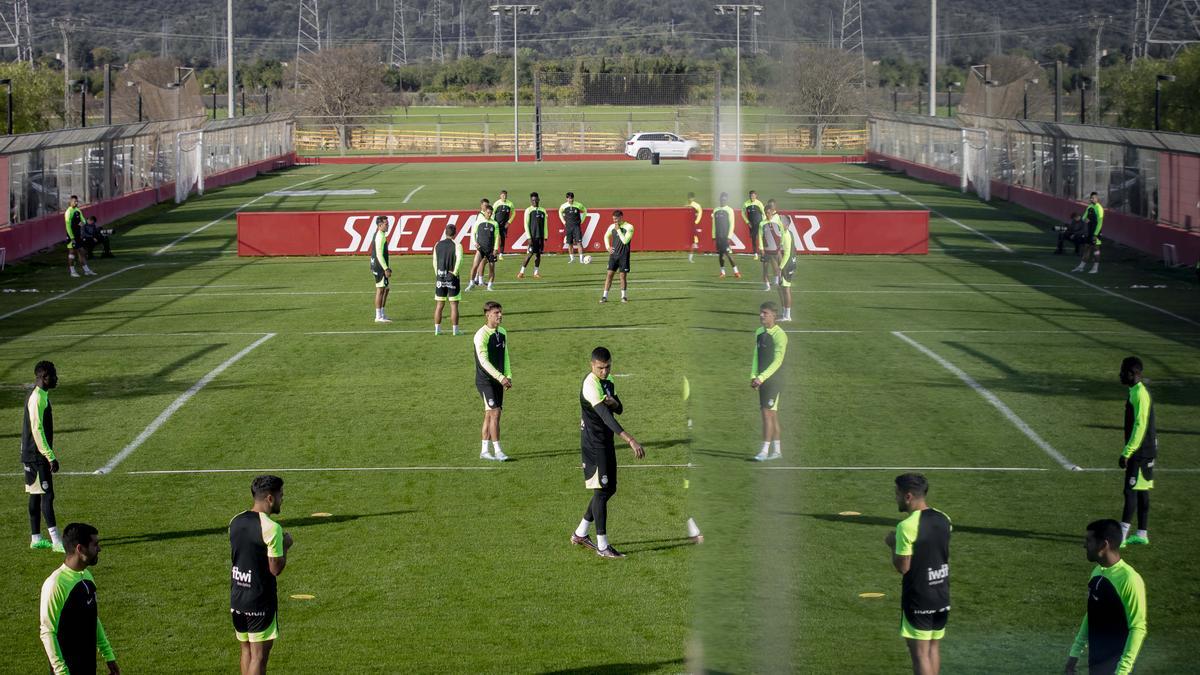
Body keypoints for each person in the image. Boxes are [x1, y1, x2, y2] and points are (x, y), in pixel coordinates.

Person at [570, 346, 645, 558]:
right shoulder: (590, 385)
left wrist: (614, 401)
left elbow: (618, 408)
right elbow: (606, 416)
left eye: (608, 367)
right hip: (594, 445)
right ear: (592, 365)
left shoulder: (608, 380)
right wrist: (630, 439)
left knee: (609, 488)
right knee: (602, 491)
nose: (604, 371)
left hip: (606, 441)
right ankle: (603, 546)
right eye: (601, 368)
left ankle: (580, 533)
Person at [883, 473, 952, 675]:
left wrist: (893, 544)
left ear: (908, 496)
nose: (895, 497)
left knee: (920, 655)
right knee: (933, 648)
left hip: (919, 598)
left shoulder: (905, 527)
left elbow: (903, 567)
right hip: (941, 593)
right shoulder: (944, 519)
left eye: (897, 493)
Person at [1064, 519, 1147, 675]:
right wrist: (1075, 653)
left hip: (1116, 668)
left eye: (1089, 541)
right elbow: (1092, 614)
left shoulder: (1129, 579)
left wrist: (1122, 671)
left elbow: (1137, 627)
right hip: (1096, 663)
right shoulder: (1097, 572)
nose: (1084, 545)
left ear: (1104, 545)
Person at [230, 475, 293, 675]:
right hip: (259, 599)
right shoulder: (272, 528)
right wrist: (285, 545)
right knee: (259, 657)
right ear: (269, 498)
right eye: (281, 495)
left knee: (246, 652)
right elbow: (275, 569)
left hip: (238, 596)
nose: (282, 499)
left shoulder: (235, 521)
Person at [39, 522, 119, 675]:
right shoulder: (56, 584)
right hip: (68, 670)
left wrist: (108, 655)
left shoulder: (86, 576)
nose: (99, 549)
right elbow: (47, 632)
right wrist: (62, 672)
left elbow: (92, 618)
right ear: (80, 549)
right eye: (95, 545)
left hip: (88, 665)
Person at [23, 360, 63, 552]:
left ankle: (36, 538)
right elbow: (37, 429)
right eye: (54, 375)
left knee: (35, 495)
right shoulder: (37, 398)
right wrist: (50, 456)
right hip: (37, 455)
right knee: (47, 495)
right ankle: (56, 542)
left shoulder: (39, 394)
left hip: (30, 453)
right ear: (44, 377)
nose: (56, 378)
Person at [1117, 356, 1156, 548]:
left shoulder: (1139, 394)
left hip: (1140, 451)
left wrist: (1127, 452)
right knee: (1141, 491)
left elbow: (1140, 425)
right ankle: (1142, 533)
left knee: (1130, 491)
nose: (1120, 375)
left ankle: (1122, 536)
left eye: (1123, 371)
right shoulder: (1136, 391)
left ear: (1133, 373)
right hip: (1146, 449)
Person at [473, 301, 512, 461]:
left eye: (500, 312)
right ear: (487, 315)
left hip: (498, 380)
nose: (500, 316)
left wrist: (508, 375)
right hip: (485, 381)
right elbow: (483, 361)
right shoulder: (481, 335)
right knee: (495, 413)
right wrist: (500, 377)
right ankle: (498, 451)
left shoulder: (502, 332)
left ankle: (484, 451)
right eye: (496, 313)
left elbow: (505, 355)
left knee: (490, 414)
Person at [751, 302, 788, 461]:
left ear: (774, 315)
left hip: (774, 380)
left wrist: (761, 377)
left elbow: (778, 361)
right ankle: (777, 452)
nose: (761, 316)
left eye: (765, 313)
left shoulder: (780, 335)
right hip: (762, 379)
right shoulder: (759, 332)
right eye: (761, 313)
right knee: (772, 415)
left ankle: (764, 451)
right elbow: (756, 355)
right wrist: (753, 375)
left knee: (766, 413)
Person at [433, 223, 464, 336]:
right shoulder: (457, 245)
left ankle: (437, 330)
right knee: (454, 305)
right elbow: (459, 259)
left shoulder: (437, 244)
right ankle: (455, 331)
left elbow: (434, 261)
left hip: (440, 277)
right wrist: (454, 272)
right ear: (455, 233)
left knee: (439, 305)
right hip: (452, 278)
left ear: (445, 232)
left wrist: (438, 274)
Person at [600, 210, 635, 304]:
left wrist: (618, 230)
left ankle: (624, 297)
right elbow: (606, 236)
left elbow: (625, 241)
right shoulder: (612, 226)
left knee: (622, 276)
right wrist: (608, 247)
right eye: (613, 219)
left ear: (621, 217)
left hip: (624, 255)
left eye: (616, 219)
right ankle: (604, 296)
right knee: (609, 275)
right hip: (613, 256)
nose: (614, 221)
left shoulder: (629, 227)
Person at [768, 201, 795, 322]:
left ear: (787, 225)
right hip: (788, 263)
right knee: (782, 287)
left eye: (783, 222)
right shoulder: (786, 233)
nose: (781, 223)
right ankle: (785, 313)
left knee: (786, 288)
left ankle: (787, 315)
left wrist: (780, 267)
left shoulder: (787, 235)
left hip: (787, 264)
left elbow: (788, 253)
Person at [466, 204, 498, 292]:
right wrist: (474, 243)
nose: (489, 215)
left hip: (491, 250)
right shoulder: (478, 222)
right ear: (485, 213)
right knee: (475, 266)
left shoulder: (495, 224)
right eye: (488, 213)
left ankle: (490, 286)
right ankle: (471, 284)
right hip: (480, 249)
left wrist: (495, 249)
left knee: (492, 268)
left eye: (491, 213)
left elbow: (497, 237)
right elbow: (473, 233)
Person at [518, 192, 548, 280]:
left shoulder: (543, 210)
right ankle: (521, 272)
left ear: (538, 199)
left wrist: (545, 236)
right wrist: (529, 237)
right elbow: (526, 225)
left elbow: (545, 224)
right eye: (532, 200)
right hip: (532, 237)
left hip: (540, 237)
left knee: (538, 255)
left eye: (535, 200)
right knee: (530, 254)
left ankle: (536, 273)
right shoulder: (528, 210)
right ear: (531, 201)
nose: (534, 202)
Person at [1072, 192, 1104, 274]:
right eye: (1090, 198)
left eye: (1093, 198)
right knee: (1086, 248)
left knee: (1096, 250)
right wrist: (1086, 220)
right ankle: (1081, 267)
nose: (1091, 199)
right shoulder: (1089, 207)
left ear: (1097, 198)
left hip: (1096, 233)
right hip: (1089, 232)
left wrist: (1096, 234)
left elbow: (1100, 222)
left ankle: (1095, 268)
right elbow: (1083, 218)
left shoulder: (1099, 208)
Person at [369, 215, 392, 323]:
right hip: (379, 266)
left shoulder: (380, 234)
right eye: (386, 224)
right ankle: (378, 316)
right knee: (380, 289)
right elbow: (379, 254)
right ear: (380, 225)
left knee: (386, 289)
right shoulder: (380, 236)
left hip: (378, 265)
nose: (388, 226)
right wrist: (386, 268)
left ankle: (382, 313)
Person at [64, 195, 95, 278]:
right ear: (70, 202)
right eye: (74, 201)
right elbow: (67, 226)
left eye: (77, 201)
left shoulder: (78, 210)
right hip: (71, 236)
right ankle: (72, 271)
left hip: (78, 235)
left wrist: (83, 223)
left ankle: (86, 270)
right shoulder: (68, 212)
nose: (76, 203)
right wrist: (72, 237)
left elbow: (84, 220)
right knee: (72, 253)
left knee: (81, 252)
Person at [712, 192, 739, 278]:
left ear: (726, 200)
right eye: (722, 199)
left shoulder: (729, 210)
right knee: (720, 254)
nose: (723, 201)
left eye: (724, 199)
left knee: (728, 254)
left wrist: (729, 236)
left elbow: (732, 224)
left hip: (725, 237)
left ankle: (736, 271)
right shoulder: (715, 210)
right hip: (718, 236)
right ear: (720, 199)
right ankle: (722, 272)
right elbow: (713, 224)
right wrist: (713, 236)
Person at [759, 209, 783, 291]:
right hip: (765, 250)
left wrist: (781, 244)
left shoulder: (777, 223)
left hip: (774, 249)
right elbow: (760, 236)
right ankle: (767, 286)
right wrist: (761, 248)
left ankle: (776, 281)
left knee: (776, 266)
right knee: (765, 268)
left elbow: (781, 234)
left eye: (768, 213)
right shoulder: (762, 223)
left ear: (772, 213)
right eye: (766, 213)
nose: (767, 214)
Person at [559, 192, 587, 263]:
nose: (570, 200)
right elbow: (559, 212)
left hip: (576, 227)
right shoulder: (563, 206)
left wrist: (582, 220)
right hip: (568, 227)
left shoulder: (578, 205)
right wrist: (564, 222)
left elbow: (585, 210)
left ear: (573, 198)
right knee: (570, 243)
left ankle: (581, 259)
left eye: (571, 198)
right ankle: (572, 259)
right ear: (566, 198)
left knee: (579, 243)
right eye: (568, 198)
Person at [742, 190, 765, 260]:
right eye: (750, 196)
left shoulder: (759, 203)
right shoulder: (746, 204)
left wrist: (762, 222)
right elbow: (742, 213)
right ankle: (755, 254)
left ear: (756, 196)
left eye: (753, 195)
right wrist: (747, 222)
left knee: (761, 238)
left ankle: (763, 254)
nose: (752, 197)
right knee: (754, 239)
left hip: (759, 224)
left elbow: (764, 213)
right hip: (752, 225)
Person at [493, 190, 514, 260]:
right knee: (495, 238)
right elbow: (492, 213)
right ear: (500, 196)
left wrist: (509, 222)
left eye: (505, 196)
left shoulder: (510, 204)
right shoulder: (496, 203)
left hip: (504, 225)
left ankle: (501, 254)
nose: (504, 197)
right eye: (503, 196)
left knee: (502, 239)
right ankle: (494, 254)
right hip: (496, 224)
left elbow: (514, 213)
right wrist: (493, 223)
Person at [687, 192, 702, 263]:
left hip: (693, 225)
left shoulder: (696, 205)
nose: (690, 199)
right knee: (693, 242)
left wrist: (696, 222)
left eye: (691, 197)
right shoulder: (688, 205)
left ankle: (690, 258)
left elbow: (700, 213)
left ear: (693, 198)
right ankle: (690, 257)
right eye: (689, 197)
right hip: (688, 225)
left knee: (693, 241)